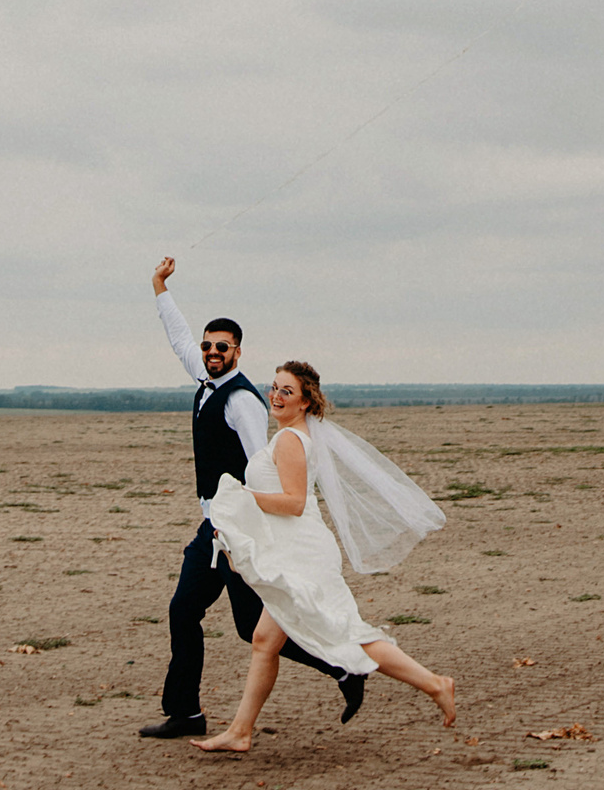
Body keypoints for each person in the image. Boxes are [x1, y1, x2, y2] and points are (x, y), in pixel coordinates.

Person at [138, 258, 365, 740]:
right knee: (184, 610)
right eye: (206, 346)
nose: (211, 352)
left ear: (237, 352)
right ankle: (186, 713)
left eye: (221, 347)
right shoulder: (205, 379)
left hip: (239, 529)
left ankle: (344, 668)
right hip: (213, 526)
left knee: (253, 628)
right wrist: (159, 287)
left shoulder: (242, 401)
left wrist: (245, 535)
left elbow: (256, 465)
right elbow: (178, 336)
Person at [191, 361, 457, 752]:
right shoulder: (289, 435)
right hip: (295, 549)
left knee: (345, 633)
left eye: (287, 392)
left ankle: (436, 684)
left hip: (305, 554)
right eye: (275, 387)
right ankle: (240, 731)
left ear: (304, 402)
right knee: (265, 639)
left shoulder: (290, 441)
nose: (276, 396)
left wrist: (242, 500)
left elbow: (294, 503)